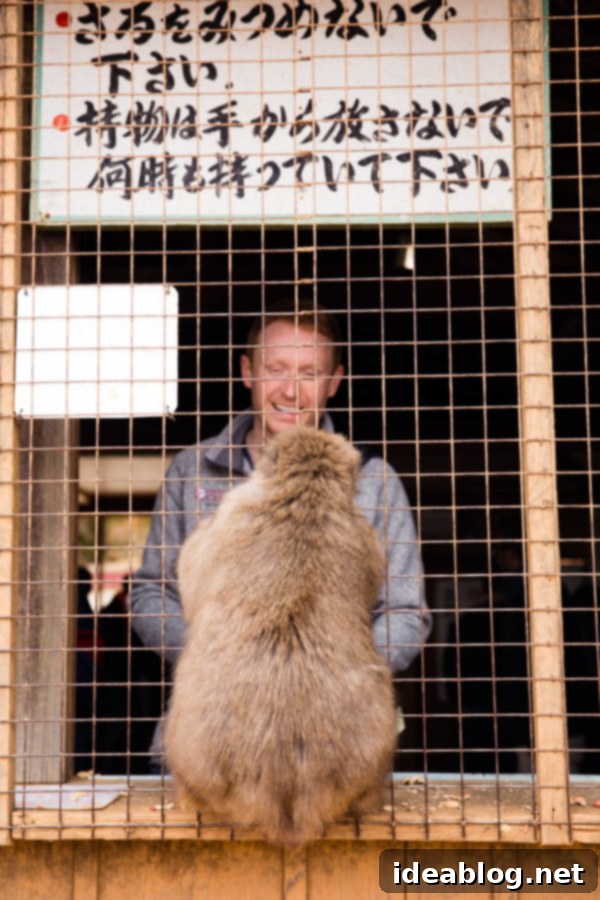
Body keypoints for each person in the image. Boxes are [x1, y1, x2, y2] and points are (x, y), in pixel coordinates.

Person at [129, 299, 431, 769]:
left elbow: (406, 612)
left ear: (334, 382)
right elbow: (150, 592)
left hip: (333, 739)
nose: (291, 391)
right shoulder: (192, 470)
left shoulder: (373, 480)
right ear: (248, 371)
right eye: (276, 369)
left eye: (310, 373)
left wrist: (330, 671)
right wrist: (224, 659)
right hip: (209, 734)